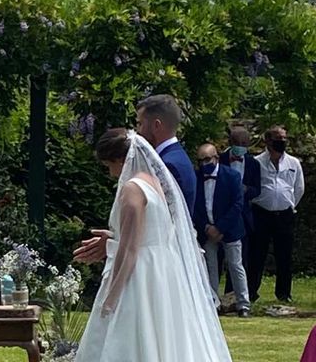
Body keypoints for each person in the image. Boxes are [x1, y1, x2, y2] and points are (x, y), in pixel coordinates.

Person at [74, 129, 231, 362]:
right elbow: (153, 231)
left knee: (133, 333)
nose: (110, 173)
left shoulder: (131, 189)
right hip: (164, 270)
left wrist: (111, 297)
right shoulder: (156, 184)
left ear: (120, 160)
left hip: (140, 273)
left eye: (108, 165)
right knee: (165, 335)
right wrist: (111, 238)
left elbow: (130, 249)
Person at [74, 94, 196, 267]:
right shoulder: (173, 157)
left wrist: (113, 243)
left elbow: (160, 226)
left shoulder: (168, 165)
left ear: (156, 125)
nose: (136, 131)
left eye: (140, 123)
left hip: (160, 264)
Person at [248, 125, 304, 303]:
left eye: (284, 138)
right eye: (278, 139)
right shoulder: (257, 162)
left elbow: (299, 188)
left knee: (284, 256)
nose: (282, 142)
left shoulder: (293, 163)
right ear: (268, 141)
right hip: (261, 213)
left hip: (284, 215)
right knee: (257, 255)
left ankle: (284, 294)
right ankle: (251, 292)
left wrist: (288, 204)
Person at [194, 143, 250, 317]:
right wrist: (206, 227)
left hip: (230, 229)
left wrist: (220, 227)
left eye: (207, 159)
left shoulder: (232, 176)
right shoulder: (196, 178)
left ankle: (243, 304)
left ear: (216, 158)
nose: (204, 164)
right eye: (200, 161)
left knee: (235, 265)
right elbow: (194, 205)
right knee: (210, 266)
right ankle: (213, 302)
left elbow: (237, 204)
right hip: (207, 229)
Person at [218, 126, 260, 295]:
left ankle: (234, 295)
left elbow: (258, 190)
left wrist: (245, 190)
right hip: (220, 215)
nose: (241, 146)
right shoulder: (220, 160)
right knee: (218, 257)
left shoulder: (253, 163)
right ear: (230, 142)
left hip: (242, 216)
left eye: (244, 143)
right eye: (237, 143)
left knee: (239, 259)